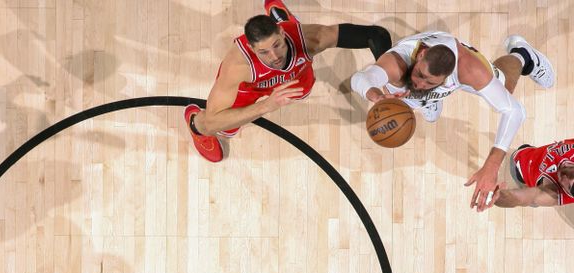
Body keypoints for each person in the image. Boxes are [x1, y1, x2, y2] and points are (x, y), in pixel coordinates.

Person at [350, 32, 555, 211]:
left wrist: (491, 166)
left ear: (447, 78)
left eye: (429, 82)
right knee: (400, 90)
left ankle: (523, 55)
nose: (419, 82)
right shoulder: (398, 63)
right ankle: (425, 100)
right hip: (411, 82)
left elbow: (516, 111)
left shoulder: (468, 69)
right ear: (421, 55)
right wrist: (376, 96)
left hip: (462, 66)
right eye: (420, 74)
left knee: (506, 88)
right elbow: (359, 79)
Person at [184, 0, 391, 162]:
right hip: (250, 86)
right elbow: (211, 121)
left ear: (282, 34)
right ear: (252, 48)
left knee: (304, 89)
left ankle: (283, 18)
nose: (274, 56)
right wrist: (266, 105)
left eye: (277, 45)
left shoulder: (311, 39)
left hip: (294, 73)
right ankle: (193, 122)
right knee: (223, 128)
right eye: (264, 52)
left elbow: (376, 35)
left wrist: (387, 82)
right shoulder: (238, 67)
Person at [493, 139, 574, 208]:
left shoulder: (554, 194)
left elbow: (524, 197)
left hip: (519, 166)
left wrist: (494, 197)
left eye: (569, 187)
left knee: (535, 201)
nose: (564, 180)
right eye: (571, 174)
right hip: (530, 152)